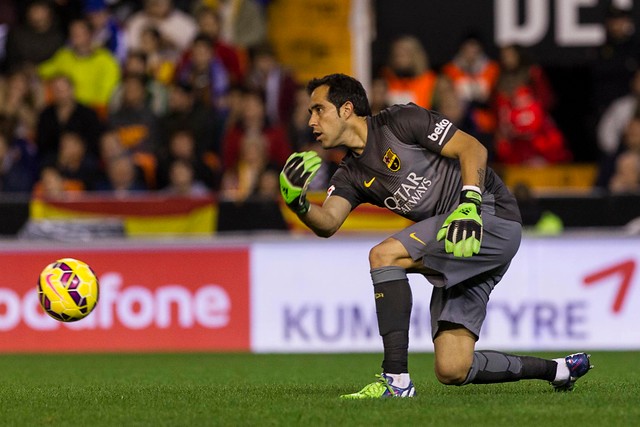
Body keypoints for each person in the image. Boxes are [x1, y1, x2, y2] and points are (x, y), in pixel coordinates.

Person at [279, 73, 593, 399]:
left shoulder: (400, 121)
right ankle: (559, 370)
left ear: (346, 109)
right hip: (455, 240)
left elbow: (472, 148)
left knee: (383, 256)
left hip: (487, 215)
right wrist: (299, 204)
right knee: (453, 368)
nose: (311, 121)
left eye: (318, 110)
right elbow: (328, 222)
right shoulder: (350, 174)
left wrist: (470, 203)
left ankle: (396, 381)